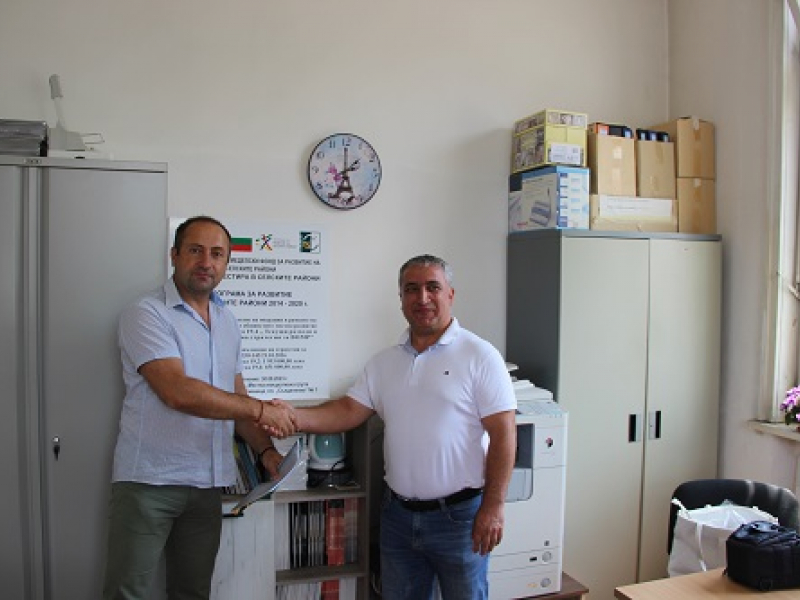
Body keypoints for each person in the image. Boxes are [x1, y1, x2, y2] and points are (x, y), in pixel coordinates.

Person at [288, 254, 517, 600]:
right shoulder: (384, 363)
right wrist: (291, 416)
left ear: (450, 294)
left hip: (460, 519)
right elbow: (347, 412)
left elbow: (504, 434)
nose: (422, 298)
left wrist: (494, 505)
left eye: (432, 287)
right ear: (401, 298)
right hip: (397, 517)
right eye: (412, 289)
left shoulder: (480, 356)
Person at [102, 215, 296, 600]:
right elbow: (177, 391)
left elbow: (237, 398)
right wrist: (262, 410)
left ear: (227, 263)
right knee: (127, 592)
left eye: (217, 254)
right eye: (195, 250)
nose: (206, 262)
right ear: (174, 255)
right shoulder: (146, 313)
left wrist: (267, 451)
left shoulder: (227, 321)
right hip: (149, 482)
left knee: (192, 592)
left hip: (207, 485)